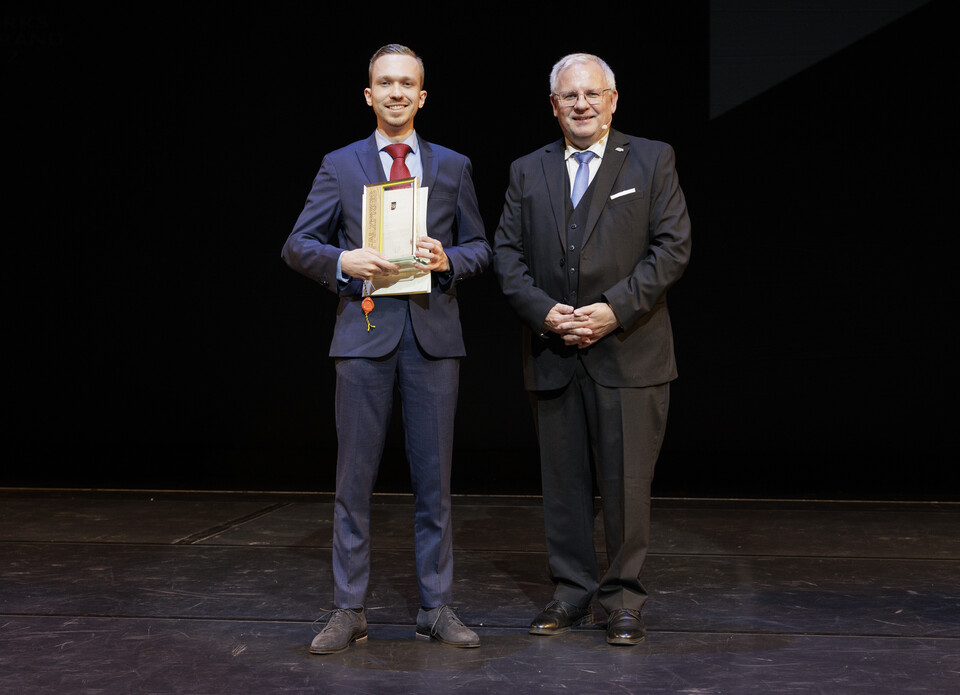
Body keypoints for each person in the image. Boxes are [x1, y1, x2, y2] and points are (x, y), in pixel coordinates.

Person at [282, 44, 491, 654]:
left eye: (408, 83)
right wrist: (341, 259)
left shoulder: (452, 166)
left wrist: (450, 258)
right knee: (354, 481)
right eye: (385, 83)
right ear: (368, 95)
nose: (396, 92)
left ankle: (435, 606)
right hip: (364, 335)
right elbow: (298, 244)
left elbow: (482, 246)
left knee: (435, 484)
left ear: (422, 96)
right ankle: (350, 608)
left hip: (432, 335)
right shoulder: (341, 164)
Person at [492, 53, 691, 645]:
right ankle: (571, 594)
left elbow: (672, 248)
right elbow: (507, 255)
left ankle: (624, 600)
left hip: (630, 351)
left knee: (628, 484)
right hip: (553, 352)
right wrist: (545, 313)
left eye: (592, 94)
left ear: (613, 99)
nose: (582, 104)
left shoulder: (652, 159)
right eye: (569, 97)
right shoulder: (528, 170)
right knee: (564, 484)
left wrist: (613, 310)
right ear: (554, 105)